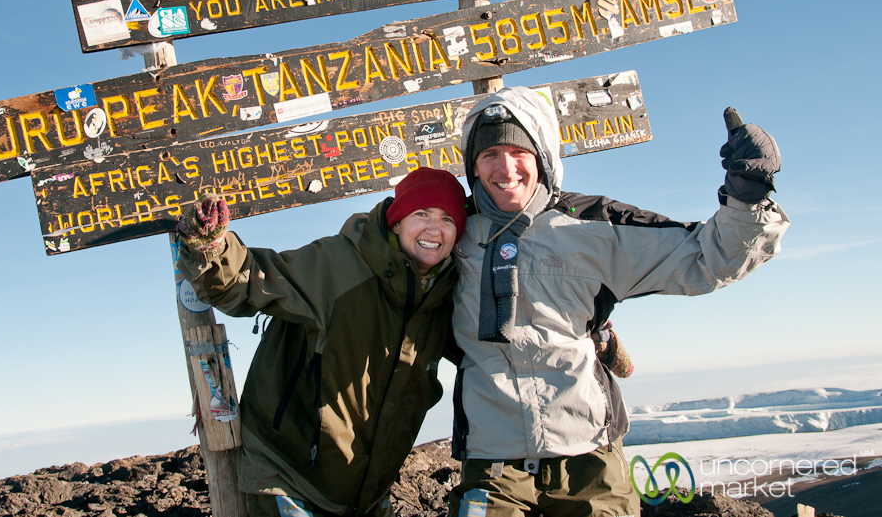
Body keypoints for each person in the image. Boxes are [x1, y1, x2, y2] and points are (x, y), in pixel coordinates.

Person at [447, 87, 789, 517]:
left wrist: (748, 197)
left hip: (589, 456)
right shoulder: (447, 231)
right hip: (491, 462)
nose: (505, 167)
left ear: (543, 156)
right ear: (472, 165)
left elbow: (705, 257)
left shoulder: (593, 226)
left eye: (519, 151)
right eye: (489, 154)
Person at [175, 167, 468, 517]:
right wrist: (211, 248)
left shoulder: (445, 297)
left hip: (366, 495)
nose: (434, 229)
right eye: (421, 214)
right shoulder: (339, 265)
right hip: (289, 478)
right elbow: (251, 280)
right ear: (396, 221)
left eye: (447, 218)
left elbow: (488, 354)